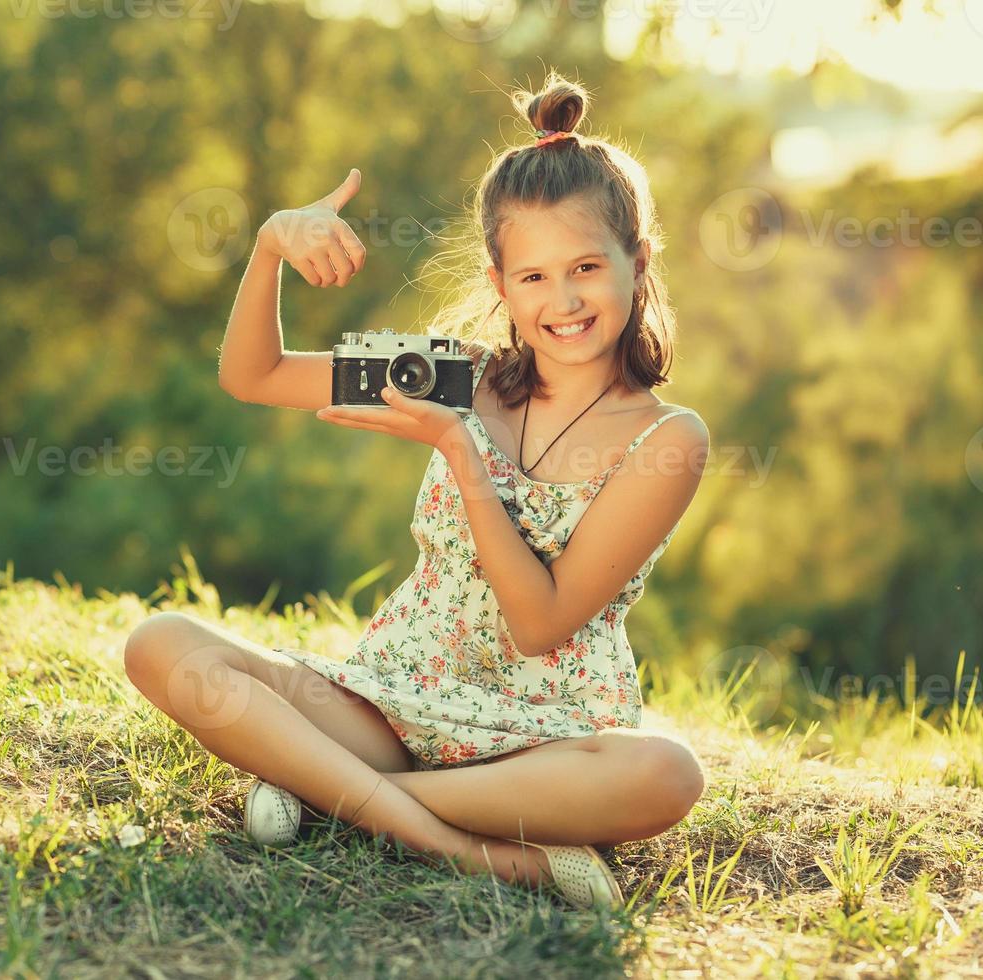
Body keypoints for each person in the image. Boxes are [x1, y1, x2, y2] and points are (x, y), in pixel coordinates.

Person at [124, 72, 709, 910]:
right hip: (391, 706)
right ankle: (476, 852)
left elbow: (541, 625)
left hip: (537, 747)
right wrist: (267, 250)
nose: (565, 300)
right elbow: (252, 375)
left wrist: (462, 456)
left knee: (666, 773)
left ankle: (325, 793)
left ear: (637, 260)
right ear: (500, 282)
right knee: (163, 645)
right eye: (534, 277)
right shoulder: (456, 379)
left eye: (586, 266)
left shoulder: (670, 440)